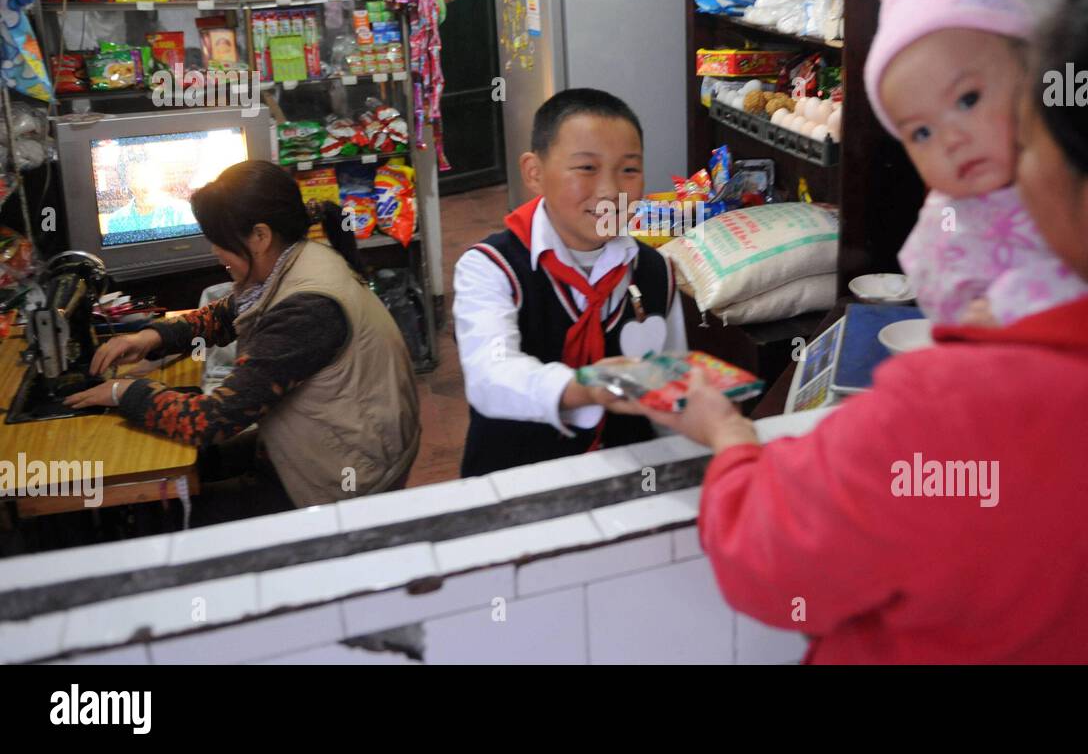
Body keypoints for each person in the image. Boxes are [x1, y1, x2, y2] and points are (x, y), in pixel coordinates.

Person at [625, 0, 1088, 663]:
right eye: (919, 131)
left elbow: (766, 557)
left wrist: (729, 434)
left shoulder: (964, 408)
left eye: (1031, 137)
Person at [67, 160, 421, 519]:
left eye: (219, 241)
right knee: (185, 471)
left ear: (260, 236)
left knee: (165, 511)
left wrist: (122, 393)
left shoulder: (307, 308)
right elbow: (229, 313)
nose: (214, 251)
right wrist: (152, 336)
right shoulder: (298, 258)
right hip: (332, 441)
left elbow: (212, 420)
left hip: (345, 478)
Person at [455, 88, 687, 476]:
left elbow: (669, 393)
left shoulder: (655, 272)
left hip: (627, 483)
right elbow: (490, 376)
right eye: (587, 168)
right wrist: (587, 387)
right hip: (515, 486)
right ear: (534, 172)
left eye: (629, 170)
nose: (611, 191)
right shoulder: (491, 268)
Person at [864, 0, 1088, 326]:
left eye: (968, 99)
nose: (951, 140)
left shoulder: (1086, 165)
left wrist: (1024, 301)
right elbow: (956, 331)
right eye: (921, 132)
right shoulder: (945, 231)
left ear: (1034, 75)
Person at [102, 144, 194, 238]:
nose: (145, 186)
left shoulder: (181, 211)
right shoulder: (116, 220)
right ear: (126, 182)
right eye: (135, 177)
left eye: (148, 175)